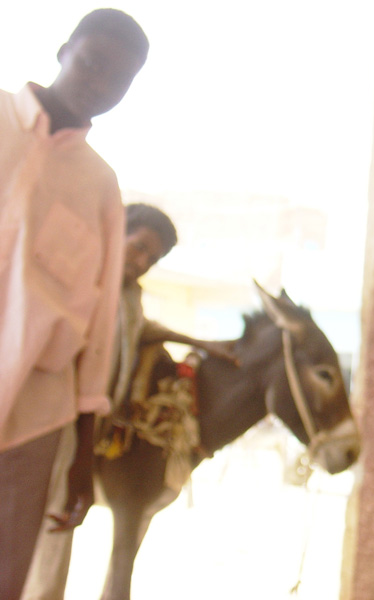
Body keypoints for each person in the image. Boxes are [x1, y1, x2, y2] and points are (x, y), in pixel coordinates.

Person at [0, 10, 148, 599]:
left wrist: (81, 454)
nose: (99, 82)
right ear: (64, 50)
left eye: (118, 78)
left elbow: (97, 327)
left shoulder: (101, 185)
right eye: (91, 62)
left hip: (36, 417)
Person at [22, 203, 238, 600]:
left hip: (78, 433)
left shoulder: (128, 296)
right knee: (33, 538)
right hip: (46, 421)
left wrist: (200, 343)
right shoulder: (81, 279)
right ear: (117, 230)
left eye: (152, 259)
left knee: (52, 542)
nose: (141, 262)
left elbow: (140, 331)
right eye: (138, 248)